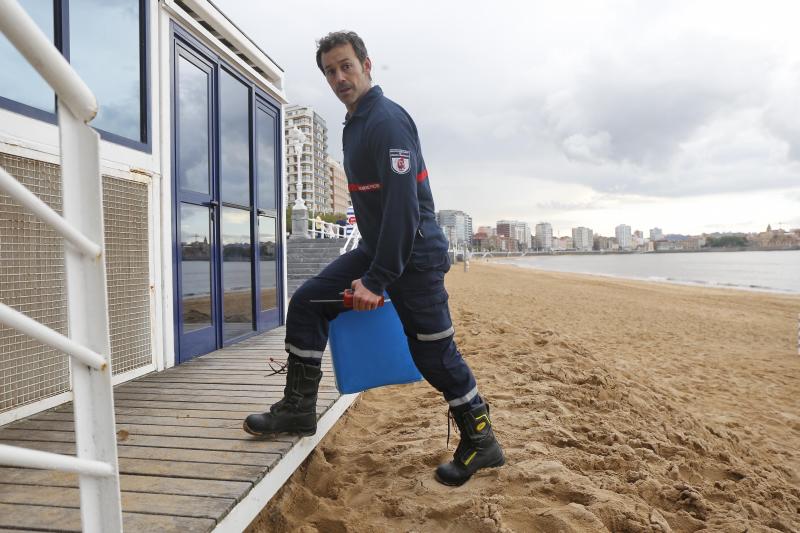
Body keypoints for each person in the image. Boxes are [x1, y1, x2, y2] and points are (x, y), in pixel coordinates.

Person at [244, 31, 504, 486]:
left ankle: (482, 441)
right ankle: (299, 409)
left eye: (346, 66)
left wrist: (377, 281)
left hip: (416, 258)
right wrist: (373, 267)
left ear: (367, 64)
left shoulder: (386, 121)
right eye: (330, 71)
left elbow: (404, 209)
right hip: (376, 249)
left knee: (434, 355)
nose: (340, 77)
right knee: (308, 303)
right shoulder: (355, 123)